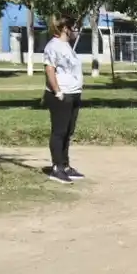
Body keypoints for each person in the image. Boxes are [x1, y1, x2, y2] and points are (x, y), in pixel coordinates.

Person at [43, 16, 85, 183]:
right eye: (74, 27)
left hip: (73, 93)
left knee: (68, 131)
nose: (76, 30)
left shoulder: (67, 46)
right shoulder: (53, 46)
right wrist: (57, 91)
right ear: (66, 28)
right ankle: (56, 167)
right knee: (59, 132)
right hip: (61, 95)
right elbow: (50, 69)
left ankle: (65, 165)